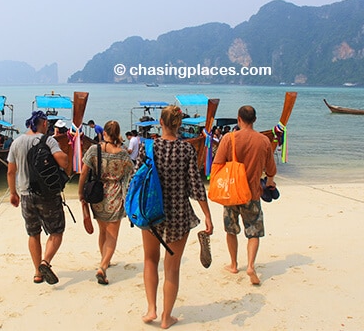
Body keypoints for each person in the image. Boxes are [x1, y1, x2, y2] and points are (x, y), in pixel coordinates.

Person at [136, 105, 213, 329]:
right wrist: (207, 215)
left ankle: (151, 308)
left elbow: (137, 179)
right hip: (178, 214)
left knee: (150, 260)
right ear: (179, 124)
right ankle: (166, 317)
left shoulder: (148, 147)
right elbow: (196, 187)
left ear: (160, 122)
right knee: (172, 268)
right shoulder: (187, 150)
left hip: (151, 213)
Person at [212, 105, 277, 285]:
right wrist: (270, 182)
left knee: (231, 230)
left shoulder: (229, 138)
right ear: (254, 119)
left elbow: (217, 163)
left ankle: (233, 265)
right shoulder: (263, 141)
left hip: (231, 192)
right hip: (252, 193)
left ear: (239, 119)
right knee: (253, 231)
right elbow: (271, 170)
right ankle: (250, 266)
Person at [7, 110, 68, 285]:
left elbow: (11, 171)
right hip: (47, 195)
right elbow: (62, 162)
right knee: (56, 231)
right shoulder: (48, 140)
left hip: (26, 195)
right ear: (42, 124)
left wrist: (13, 193)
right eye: (47, 124)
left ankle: (37, 273)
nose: (48, 126)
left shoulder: (16, 142)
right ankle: (45, 262)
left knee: (33, 234)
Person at [78, 121, 133, 285]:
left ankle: (104, 260)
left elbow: (83, 173)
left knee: (103, 231)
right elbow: (131, 174)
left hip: (97, 195)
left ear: (105, 133)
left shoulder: (94, 150)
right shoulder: (122, 154)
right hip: (115, 195)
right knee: (112, 235)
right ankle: (103, 266)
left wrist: (81, 193)